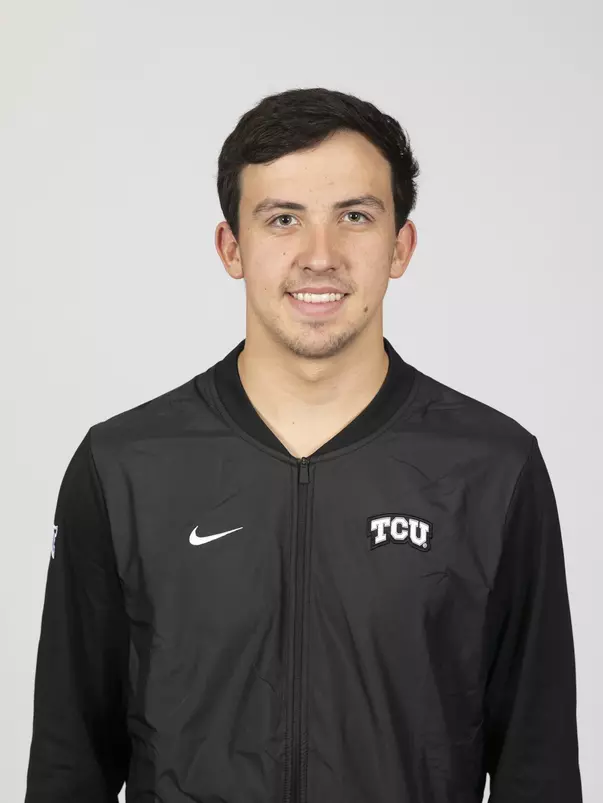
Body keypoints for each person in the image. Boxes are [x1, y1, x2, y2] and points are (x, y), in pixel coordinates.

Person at [24, 87, 582, 803]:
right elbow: (69, 761)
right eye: (282, 219)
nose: (320, 256)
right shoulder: (124, 466)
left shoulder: (492, 468)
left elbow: (538, 766)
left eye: (354, 216)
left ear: (399, 246)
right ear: (232, 247)